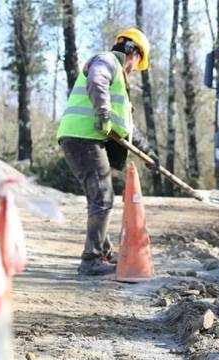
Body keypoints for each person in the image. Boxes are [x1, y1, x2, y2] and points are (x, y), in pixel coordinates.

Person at [56, 28, 159, 276]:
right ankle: (91, 259)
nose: (134, 69)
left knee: (100, 197)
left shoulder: (120, 87)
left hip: (86, 138)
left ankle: (101, 251)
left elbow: (127, 127)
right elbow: (96, 79)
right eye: (137, 62)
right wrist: (103, 114)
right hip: (83, 137)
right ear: (132, 52)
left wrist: (149, 154)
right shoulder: (107, 61)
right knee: (102, 196)